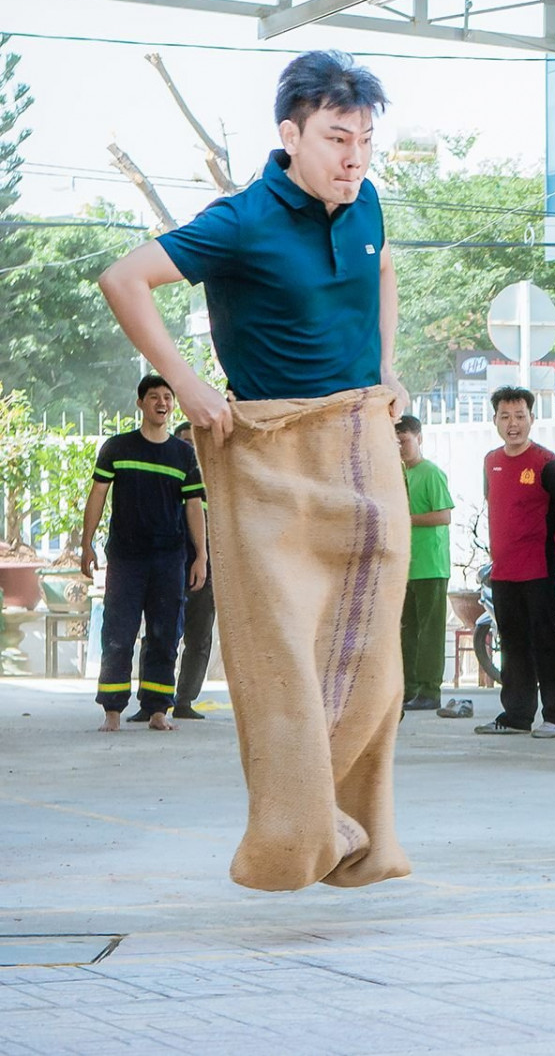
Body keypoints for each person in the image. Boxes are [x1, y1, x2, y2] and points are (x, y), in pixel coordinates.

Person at [100, 50, 411, 890]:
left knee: (375, 657)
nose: (355, 158)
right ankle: (296, 832)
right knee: (281, 655)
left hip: (359, 442)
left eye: (366, 140)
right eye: (338, 138)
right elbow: (124, 278)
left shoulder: (369, 201)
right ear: (291, 135)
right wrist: (190, 383)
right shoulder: (241, 220)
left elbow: (382, 270)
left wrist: (386, 366)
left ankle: (348, 827)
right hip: (270, 458)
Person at [79, 376, 207, 732]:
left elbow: (194, 506)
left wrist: (201, 556)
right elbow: (98, 495)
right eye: (154, 397)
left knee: (166, 634)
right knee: (118, 633)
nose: (162, 403)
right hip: (126, 557)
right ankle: (112, 710)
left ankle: (157, 710)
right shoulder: (118, 448)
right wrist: (86, 542)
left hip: (170, 559)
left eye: (168, 397)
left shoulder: (184, 455)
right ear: (140, 403)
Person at [474, 386, 555, 738]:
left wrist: (548, 543)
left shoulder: (547, 464)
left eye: (520, 416)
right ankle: (516, 715)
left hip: (541, 569)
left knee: (550, 642)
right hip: (504, 572)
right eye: (505, 416)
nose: (513, 424)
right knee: (514, 644)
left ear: (532, 419)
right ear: (495, 421)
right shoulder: (490, 461)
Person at [395, 415, 454, 713]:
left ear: (419, 438)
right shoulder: (396, 474)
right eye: (395, 442)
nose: (401, 447)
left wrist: (406, 520)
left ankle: (430, 689)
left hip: (430, 565)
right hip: (404, 565)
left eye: (404, 440)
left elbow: (444, 515)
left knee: (429, 631)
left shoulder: (431, 473)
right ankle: (410, 688)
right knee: (406, 629)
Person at [171, 420, 215, 721]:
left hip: (206, 567)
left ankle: (184, 700)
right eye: (184, 441)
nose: (190, 446)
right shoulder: (169, 477)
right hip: (169, 563)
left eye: (194, 441)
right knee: (162, 634)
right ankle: (154, 698)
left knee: (199, 637)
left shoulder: (216, 479)